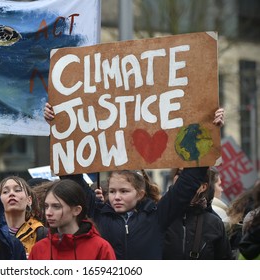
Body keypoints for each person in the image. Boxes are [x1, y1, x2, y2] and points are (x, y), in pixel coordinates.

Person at [43, 103, 225, 259]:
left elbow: (189, 181)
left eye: (124, 191)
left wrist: (209, 129)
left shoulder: (157, 217)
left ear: (140, 193)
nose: (116, 197)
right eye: (112, 191)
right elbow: (71, 176)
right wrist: (58, 124)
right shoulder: (98, 214)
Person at [28, 179, 116, 260]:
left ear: (76, 210)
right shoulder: (38, 249)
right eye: (46, 206)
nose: (48, 212)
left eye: (56, 206)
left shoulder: (100, 248)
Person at [163, 167, 232, 259]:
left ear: (203, 187)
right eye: (179, 175)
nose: (180, 180)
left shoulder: (214, 223)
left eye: (189, 178)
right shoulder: (159, 217)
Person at [0, 175, 48, 256]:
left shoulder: (42, 233)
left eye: (17, 190)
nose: (11, 193)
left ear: (29, 200)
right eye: (5, 192)